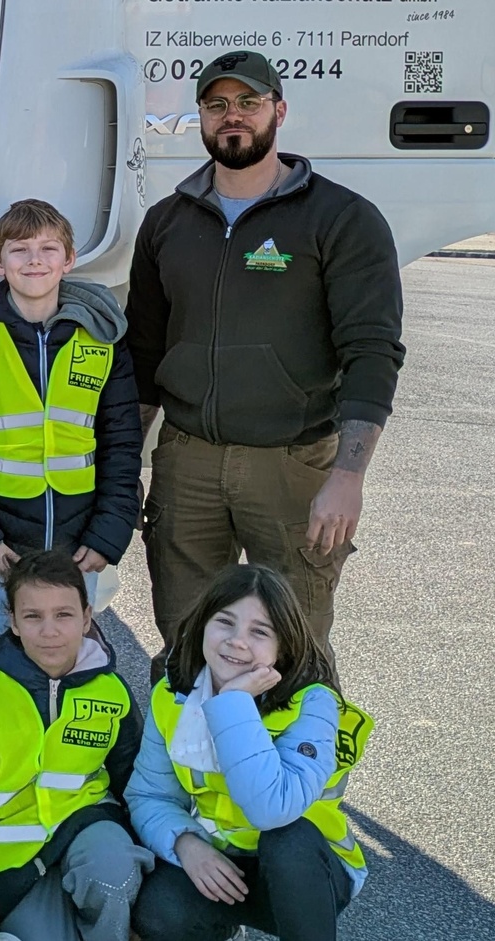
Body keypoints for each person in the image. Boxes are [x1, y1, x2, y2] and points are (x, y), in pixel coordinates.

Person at [127, 50, 406, 683]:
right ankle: (189, 751)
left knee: (294, 648)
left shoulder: (341, 219)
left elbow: (372, 351)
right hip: (187, 464)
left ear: (279, 110)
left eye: (248, 103)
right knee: (188, 643)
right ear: (201, 117)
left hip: (292, 463)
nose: (233, 116)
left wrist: (348, 476)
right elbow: (144, 355)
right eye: (217, 104)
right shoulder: (166, 223)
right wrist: (127, 466)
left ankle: (299, 753)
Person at [0, 199, 142, 669]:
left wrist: (108, 535)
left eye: (48, 249)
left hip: (76, 543)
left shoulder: (102, 339)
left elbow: (123, 443)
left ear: (69, 260)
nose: (34, 260)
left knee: (68, 661)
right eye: (19, 249)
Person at [127, 564, 372, 941]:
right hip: (229, 862)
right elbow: (149, 795)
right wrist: (185, 843)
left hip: (308, 875)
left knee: (285, 842)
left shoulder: (313, 702)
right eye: (225, 622)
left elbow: (271, 810)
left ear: (282, 646)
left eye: (260, 632)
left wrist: (234, 703)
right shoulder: (172, 695)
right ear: (202, 625)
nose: (237, 641)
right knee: (159, 910)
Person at [0, 551, 150, 941]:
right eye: (33, 616)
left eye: (63, 614)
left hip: (88, 830)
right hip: (9, 866)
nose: (49, 631)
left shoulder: (111, 689)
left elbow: (135, 783)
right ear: (13, 622)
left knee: (114, 874)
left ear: (86, 617)